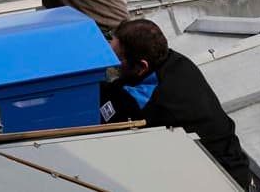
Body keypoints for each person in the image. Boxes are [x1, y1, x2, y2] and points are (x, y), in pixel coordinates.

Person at [100, 19, 251, 190]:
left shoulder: (148, 99)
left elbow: (103, 110)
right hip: (235, 166)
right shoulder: (177, 61)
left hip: (220, 181)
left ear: (142, 66)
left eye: (117, 59)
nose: (111, 63)